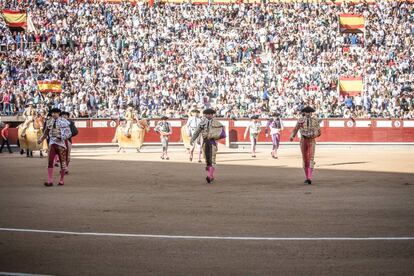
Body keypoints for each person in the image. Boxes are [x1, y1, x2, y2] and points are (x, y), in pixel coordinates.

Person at [38, 108, 72, 187]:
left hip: (61, 145)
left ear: (59, 113)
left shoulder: (64, 122)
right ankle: (50, 181)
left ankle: (61, 180)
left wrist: (61, 137)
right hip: (52, 143)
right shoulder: (49, 121)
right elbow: (46, 132)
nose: (53, 114)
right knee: (50, 162)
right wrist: (41, 139)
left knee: (63, 163)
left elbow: (69, 133)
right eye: (52, 113)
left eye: (55, 113)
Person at [190, 108, 225, 183]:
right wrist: (192, 139)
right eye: (207, 114)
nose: (209, 115)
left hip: (213, 143)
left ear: (212, 115)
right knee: (207, 160)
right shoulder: (202, 123)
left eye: (210, 114)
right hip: (205, 142)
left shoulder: (217, 123)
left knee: (212, 159)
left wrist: (214, 136)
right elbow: (197, 132)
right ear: (205, 115)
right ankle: (211, 175)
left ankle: (210, 176)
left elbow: (222, 134)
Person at [290, 106, 321, 185]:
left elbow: (319, 132)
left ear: (311, 113)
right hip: (303, 140)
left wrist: (314, 134)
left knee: (311, 158)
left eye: (309, 112)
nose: (308, 113)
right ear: (304, 112)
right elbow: (295, 129)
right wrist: (292, 136)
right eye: (306, 112)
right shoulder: (300, 120)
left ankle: (309, 178)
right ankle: (307, 177)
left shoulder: (315, 120)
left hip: (311, 140)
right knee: (305, 159)